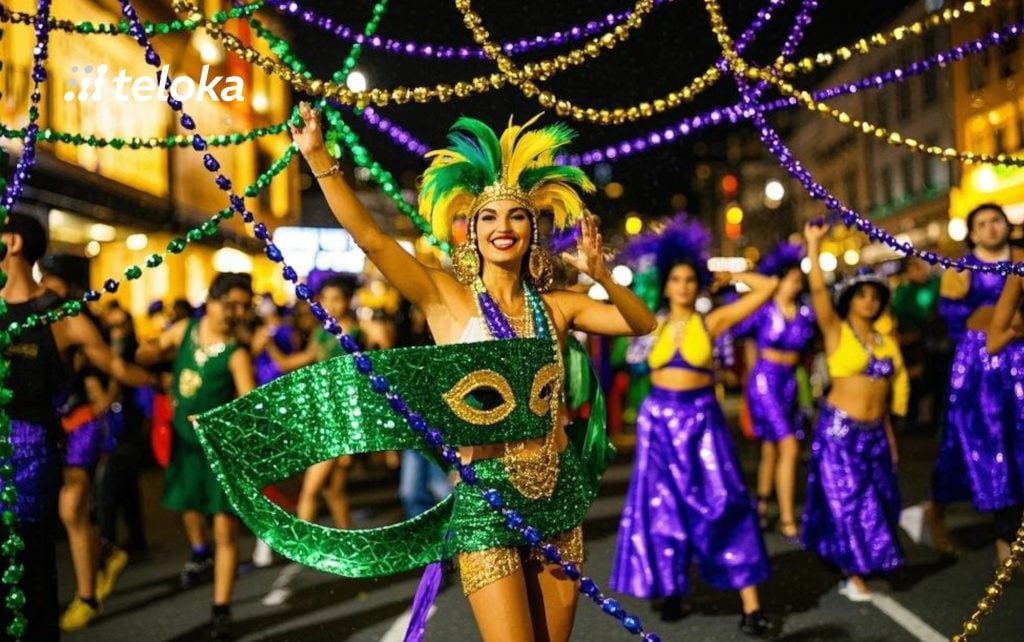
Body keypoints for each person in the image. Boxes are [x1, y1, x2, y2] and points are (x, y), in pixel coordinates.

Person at [198, 108, 655, 642]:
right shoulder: (446, 298)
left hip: (557, 493)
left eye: (516, 217)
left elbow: (638, 322)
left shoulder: (557, 308)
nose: (502, 228)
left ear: (533, 229)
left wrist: (601, 275)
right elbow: (371, 238)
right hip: (486, 501)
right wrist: (320, 160)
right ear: (471, 232)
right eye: (489, 217)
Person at [610, 213, 776, 635]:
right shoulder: (650, 324)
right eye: (676, 280)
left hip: (703, 420)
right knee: (663, 507)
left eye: (689, 279)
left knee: (726, 501)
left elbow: (768, 288)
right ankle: (671, 589)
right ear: (665, 285)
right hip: (659, 422)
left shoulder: (712, 321)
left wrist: (721, 271)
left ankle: (751, 607)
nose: (683, 286)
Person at [0, 213, 156, 639]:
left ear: (11, 243)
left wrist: (163, 385)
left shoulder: (62, 318)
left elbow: (115, 365)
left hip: (33, 449)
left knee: (32, 560)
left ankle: (78, 599)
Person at [136, 272, 256, 640]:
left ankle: (220, 607)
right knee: (186, 505)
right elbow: (146, 353)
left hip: (216, 449)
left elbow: (248, 406)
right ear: (212, 299)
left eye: (242, 306)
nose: (234, 312)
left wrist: (216, 420)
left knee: (225, 528)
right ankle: (199, 550)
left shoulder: (236, 354)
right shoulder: (186, 330)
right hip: (184, 446)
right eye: (229, 304)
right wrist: (150, 353)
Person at [801, 221, 908, 601]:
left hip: (876, 431)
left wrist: (890, 436)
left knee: (880, 499)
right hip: (839, 432)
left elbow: (888, 392)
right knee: (848, 502)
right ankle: (852, 574)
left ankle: (868, 563)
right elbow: (816, 289)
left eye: (874, 296)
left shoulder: (884, 338)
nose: (869, 301)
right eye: (861, 295)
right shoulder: (836, 331)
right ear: (849, 300)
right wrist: (813, 246)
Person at [930, 203, 1014, 558]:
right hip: (980, 361)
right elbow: (949, 312)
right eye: (983, 223)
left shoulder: (1020, 259)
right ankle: (1000, 532)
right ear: (973, 233)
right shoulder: (961, 268)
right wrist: (984, 318)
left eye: (996, 220)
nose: (992, 228)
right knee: (980, 435)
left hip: (1019, 352)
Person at [735, 241, 815, 540]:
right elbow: (740, 325)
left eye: (799, 279)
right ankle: (786, 518)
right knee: (789, 446)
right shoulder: (764, 310)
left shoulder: (805, 313)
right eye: (792, 278)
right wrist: (743, 279)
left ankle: (762, 502)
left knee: (771, 449)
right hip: (765, 381)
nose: (797, 283)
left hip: (791, 381)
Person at [981, 245, 1024, 568]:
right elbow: (993, 341)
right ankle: (1006, 535)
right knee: (1012, 457)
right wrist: (1015, 328)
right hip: (1017, 382)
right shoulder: (1018, 272)